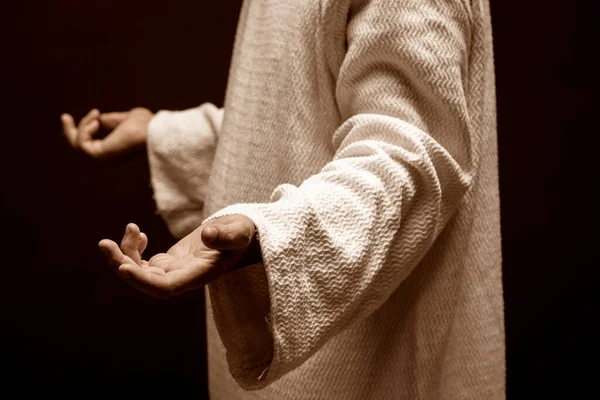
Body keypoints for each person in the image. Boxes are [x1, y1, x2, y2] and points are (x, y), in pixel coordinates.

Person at [61, 0, 505, 398]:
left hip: (368, 368)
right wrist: (167, 134)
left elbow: (410, 158)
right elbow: (302, 118)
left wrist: (271, 236)